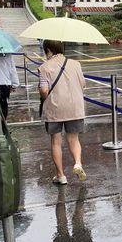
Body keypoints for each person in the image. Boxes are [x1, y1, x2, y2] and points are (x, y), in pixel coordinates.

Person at [38, 40, 87, 185]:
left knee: (56, 142)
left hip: (54, 109)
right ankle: (78, 163)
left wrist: (41, 92)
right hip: (75, 107)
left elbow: (44, 90)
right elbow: (83, 84)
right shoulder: (76, 64)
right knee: (74, 139)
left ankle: (61, 176)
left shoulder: (44, 68)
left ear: (48, 50)